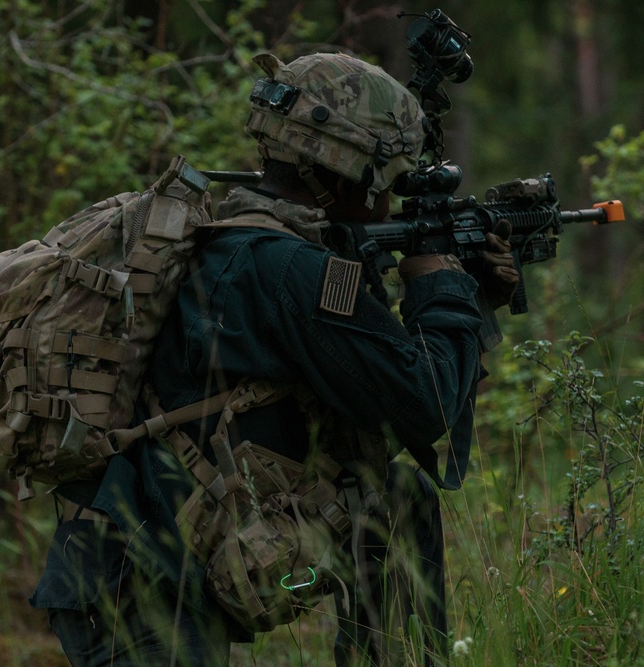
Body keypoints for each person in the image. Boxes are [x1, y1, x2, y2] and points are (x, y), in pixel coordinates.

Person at [30, 50, 518, 666]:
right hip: (141, 590)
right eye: (386, 178)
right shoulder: (295, 271)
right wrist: (441, 284)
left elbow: (375, 411)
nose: (391, 201)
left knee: (397, 498)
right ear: (344, 172)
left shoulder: (243, 242)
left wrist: (470, 298)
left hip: (169, 571)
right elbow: (422, 406)